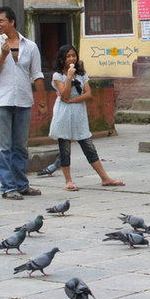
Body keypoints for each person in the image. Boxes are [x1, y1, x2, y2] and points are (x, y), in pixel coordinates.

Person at [0, 6, 47, 200]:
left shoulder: (30, 46)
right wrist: (3, 55)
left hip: (23, 102)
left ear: (12, 21)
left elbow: (37, 75)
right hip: (1, 102)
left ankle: (22, 185)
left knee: (20, 146)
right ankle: (8, 187)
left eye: (1, 21)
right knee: (3, 148)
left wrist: (43, 102)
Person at [48, 44, 124, 191]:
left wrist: (73, 100)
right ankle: (68, 180)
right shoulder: (58, 76)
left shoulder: (82, 74)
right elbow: (64, 94)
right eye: (68, 56)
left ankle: (105, 178)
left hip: (78, 112)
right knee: (65, 147)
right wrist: (69, 78)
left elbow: (88, 94)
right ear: (62, 59)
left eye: (73, 55)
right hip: (63, 114)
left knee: (88, 145)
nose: (71, 59)